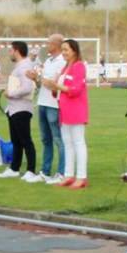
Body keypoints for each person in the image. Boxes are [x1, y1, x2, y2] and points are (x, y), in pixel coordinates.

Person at [45, 38, 89, 189]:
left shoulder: (79, 66)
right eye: (62, 50)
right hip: (64, 110)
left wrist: (57, 86)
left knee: (78, 143)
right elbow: (59, 90)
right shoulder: (65, 68)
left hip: (75, 110)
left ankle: (81, 176)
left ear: (74, 51)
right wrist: (53, 88)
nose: (63, 53)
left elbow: (75, 89)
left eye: (66, 50)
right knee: (68, 143)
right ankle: (69, 175)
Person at [0, 41, 39, 182]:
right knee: (16, 141)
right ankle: (14, 169)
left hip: (21, 109)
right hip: (14, 109)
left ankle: (31, 171)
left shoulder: (25, 66)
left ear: (16, 51)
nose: (9, 53)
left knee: (26, 140)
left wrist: (11, 93)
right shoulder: (20, 66)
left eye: (10, 50)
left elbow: (27, 87)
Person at [33, 34, 67, 184]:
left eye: (49, 43)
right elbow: (43, 84)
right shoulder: (48, 60)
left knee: (58, 139)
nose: (47, 45)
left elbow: (53, 83)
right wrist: (36, 79)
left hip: (54, 104)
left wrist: (42, 80)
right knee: (45, 139)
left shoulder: (62, 62)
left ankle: (62, 172)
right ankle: (45, 171)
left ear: (56, 44)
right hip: (42, 102)